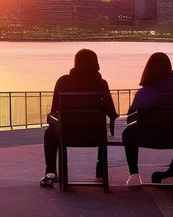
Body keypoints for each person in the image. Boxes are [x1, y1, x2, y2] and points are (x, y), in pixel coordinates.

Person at [41, 49, 117, 188]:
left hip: (67, 134)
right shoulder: (101, 84)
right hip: (95, 135)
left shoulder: (63, 81)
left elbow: (54, 111)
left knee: (50, 132)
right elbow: (111, 113)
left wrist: (52, 120)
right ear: (96, 63)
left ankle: (50, 172)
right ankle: (100, 172)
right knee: (102, 130)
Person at [123, 53, 173, 185]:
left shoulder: (142, 94)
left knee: (127, 133)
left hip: (146, 138)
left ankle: (134, 175)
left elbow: (130, 120)